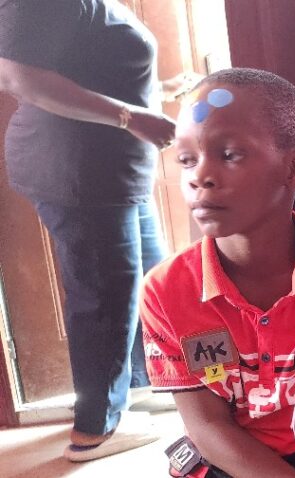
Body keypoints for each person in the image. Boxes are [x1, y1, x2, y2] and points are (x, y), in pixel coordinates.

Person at [141, 68, 295, 477]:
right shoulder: (165, 291)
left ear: (293, 169)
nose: (199, 176)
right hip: (230, 462)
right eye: (187, 159)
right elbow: (207, 426)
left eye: (229, 155)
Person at [0, 0, 177, 461]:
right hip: (82, 172)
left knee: (148, 282)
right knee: (104, 297)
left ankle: (134, 387)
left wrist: (154, 91)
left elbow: (86, 65)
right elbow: (17, 76)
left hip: (110, 172)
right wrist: (131, 116)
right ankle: (95, 428)